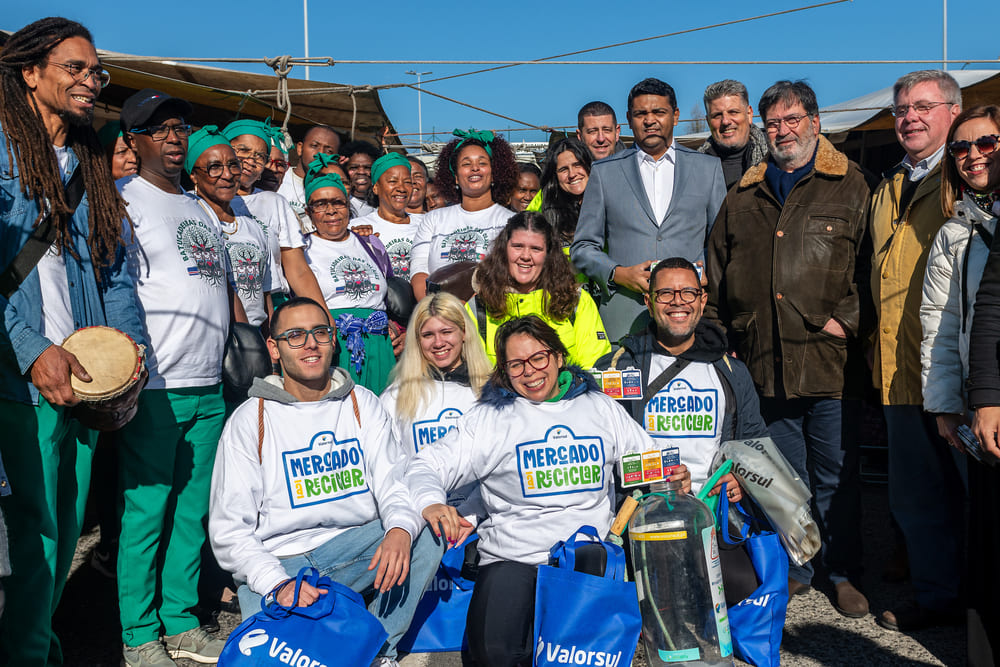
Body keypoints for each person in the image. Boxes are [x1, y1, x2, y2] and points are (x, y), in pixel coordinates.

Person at [406, 315, 691, 667]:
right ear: (504, 370)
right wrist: (432, 503)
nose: (529, 371)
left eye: (538, 358)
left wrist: (673, 478)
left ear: (557, 356)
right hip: (513, 557)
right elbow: (425, 465)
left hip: (585, 557)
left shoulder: (599, 408)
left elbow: (650, 467)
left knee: (575, 658)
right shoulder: (491, 418)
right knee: (494, 656)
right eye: (516, 364)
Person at [0, 18, 144, 665]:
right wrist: (32, 348)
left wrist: (131, 349)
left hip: (85, 379)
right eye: (75, 68)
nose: (91, 81)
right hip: (20, 380)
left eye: (97, 72)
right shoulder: (3, 151)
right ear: (30, 72)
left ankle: (38, 642)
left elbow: (113, 270)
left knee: (64, 534)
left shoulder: (89, 163)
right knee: (34, 535)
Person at [705, 80, 871, 619]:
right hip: (763, 362)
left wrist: (845, 320)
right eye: (774, 123)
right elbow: (717, 271)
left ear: (815, 122)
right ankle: (801, 566)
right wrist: (727, 339)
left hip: (828, 362)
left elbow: (873, 271)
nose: (783, 131)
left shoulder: (850, 186)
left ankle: (842, 571)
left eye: (793, 119)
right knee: (783, 476)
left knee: (835, 475)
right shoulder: (743, 197)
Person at [209, 296, 440, 667]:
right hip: (281, 561)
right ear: (274, 347)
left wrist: (399, 528)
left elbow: (394, 483)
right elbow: (229, 532)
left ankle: (379, 651)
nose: (310, 343)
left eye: (319, 332)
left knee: (424, 529)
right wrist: (277, 584)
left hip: (353, 549)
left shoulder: (363, 402)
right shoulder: (248, 420)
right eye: (295, 336)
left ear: (334, 340)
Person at [117, 89, 238, 666]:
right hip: (157, 387)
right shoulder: (123, 202)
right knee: (146, 511)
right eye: (159, 128)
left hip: (208, 384)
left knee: (194, 511)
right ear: (133, 140)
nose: (173, 137)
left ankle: (181, 621)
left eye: (179, 128)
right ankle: (139, 634)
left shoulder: (197, 207)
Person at [595, 257, 771, 606]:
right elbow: (602, 449)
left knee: (741, 592)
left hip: (711, 512)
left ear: (702, 301)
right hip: (644, 510)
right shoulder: (619, 367)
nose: (678, 301)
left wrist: (740, 477)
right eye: (665, 294)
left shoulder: (730, 370)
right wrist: (652, 483)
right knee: (655, 602)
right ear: (648, 301)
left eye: (688, 292)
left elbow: (754, 446)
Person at [868, 70, 965, 632]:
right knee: (917, 498)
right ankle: (937, 599)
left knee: (972, 494)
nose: (909, 117)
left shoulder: (967, 175)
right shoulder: (887, 186)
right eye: (902, 108)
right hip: (899, 370)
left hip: (957, 369)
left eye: (923, 107)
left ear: (953, 111)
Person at [922, 106, 1000, 649]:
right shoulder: (954, 234)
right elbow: (941, 326)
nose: (974, 156)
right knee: (988, 533)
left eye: (987, 143)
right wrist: (949, 404)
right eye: (962, 148)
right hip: (985, 403)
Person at [572, 78, 726, 341]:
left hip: (687, 314)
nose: (650, 120)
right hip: (625, 315)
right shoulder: (604, 173)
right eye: (641, 114)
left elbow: (722, 242)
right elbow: (583, 247)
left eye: (659, 112)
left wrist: (703, 273)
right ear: (630, 120)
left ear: (675, 116)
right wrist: (618, 273)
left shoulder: (708, 169)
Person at [466, 212, 610, 368]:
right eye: (518, 246)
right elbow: (475, 375)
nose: (526, 256)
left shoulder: (576, 301)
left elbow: (595, 367)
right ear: (503, 249)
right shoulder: (478, 307)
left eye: (536, 249)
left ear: (549, 254)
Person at [302, 172, 401, 393]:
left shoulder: (371, 243)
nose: (331, 210)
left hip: (379, 346)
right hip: (333, 347)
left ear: (348, 206)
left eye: (338, 202)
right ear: (309, 212)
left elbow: (387, 293)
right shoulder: (303, 250)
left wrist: (392, 324)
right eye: (320, 204)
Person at [381, 291, 492, 460]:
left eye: (446, 332)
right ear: (417, 340)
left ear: (463, 333)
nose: (439, 343)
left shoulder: (490, 392)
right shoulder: (395, 396)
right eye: (428, 335)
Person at [410, 129, 517, 300]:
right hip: (438, 316)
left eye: (482, 163)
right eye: (466, 164)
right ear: (456, 177)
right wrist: (438, 311)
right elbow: (419, 270)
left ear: (494, 173)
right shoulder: (433, 219)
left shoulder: (511, 221)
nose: (475, 168)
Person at [187, 126, 277, 328]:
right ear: (194, 176)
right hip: (214, 333)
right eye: (214, 167)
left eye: (233, 165)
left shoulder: (252, 226)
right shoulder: (191, 222)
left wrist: (269, 341)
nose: (227, 175)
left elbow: (265, 296)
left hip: (254, 339)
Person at [353, 153, 423, 280]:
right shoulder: (358, 228)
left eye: (407, 182)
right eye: (392, 181)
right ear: (375, 188)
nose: (401, 188)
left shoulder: (427, 223)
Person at [697, 79, 769, 189]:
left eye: (733, 112)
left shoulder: (777, 157)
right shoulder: (693, 168)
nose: (725, 121)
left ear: (749, 114)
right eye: (717, 115)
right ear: (708, 121)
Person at [534, 137, 592, 250]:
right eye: (563, 169)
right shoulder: (541, 202)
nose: (572, 174)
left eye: (577, 165)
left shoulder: (608, 195)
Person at [277, 124, 341, 222]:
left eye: (329, 151)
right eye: (314, 146)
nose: (320, 154)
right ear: (300, 149)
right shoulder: (279, 179)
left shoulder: (337, 189)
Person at [221, 119, 271, 197]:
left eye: (260, 156)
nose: (251, 162)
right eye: (243, 150)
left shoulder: (273, 202)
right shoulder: (200, 202)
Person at [342, 139, 380, 217]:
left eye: (367, 167)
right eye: (354, 167)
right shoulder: (340, 203)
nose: (361, 172)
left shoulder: (383, 204)